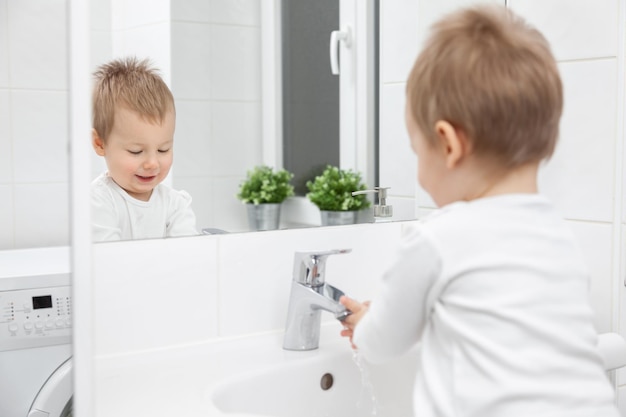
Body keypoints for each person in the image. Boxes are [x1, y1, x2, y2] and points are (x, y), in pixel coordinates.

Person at [339, 5, 619, 417]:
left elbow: (384, 342)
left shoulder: (438, 238)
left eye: (418, 152)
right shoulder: (558, 240)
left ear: (448, 144)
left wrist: (364, 323)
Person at [90, 57, 199, 241]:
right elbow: (109, 261)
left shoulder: (175, 205)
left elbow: (186, 256)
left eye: (163, 149)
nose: (152, 163)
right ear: (100, 144)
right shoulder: (97, 202)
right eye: (136, 151)